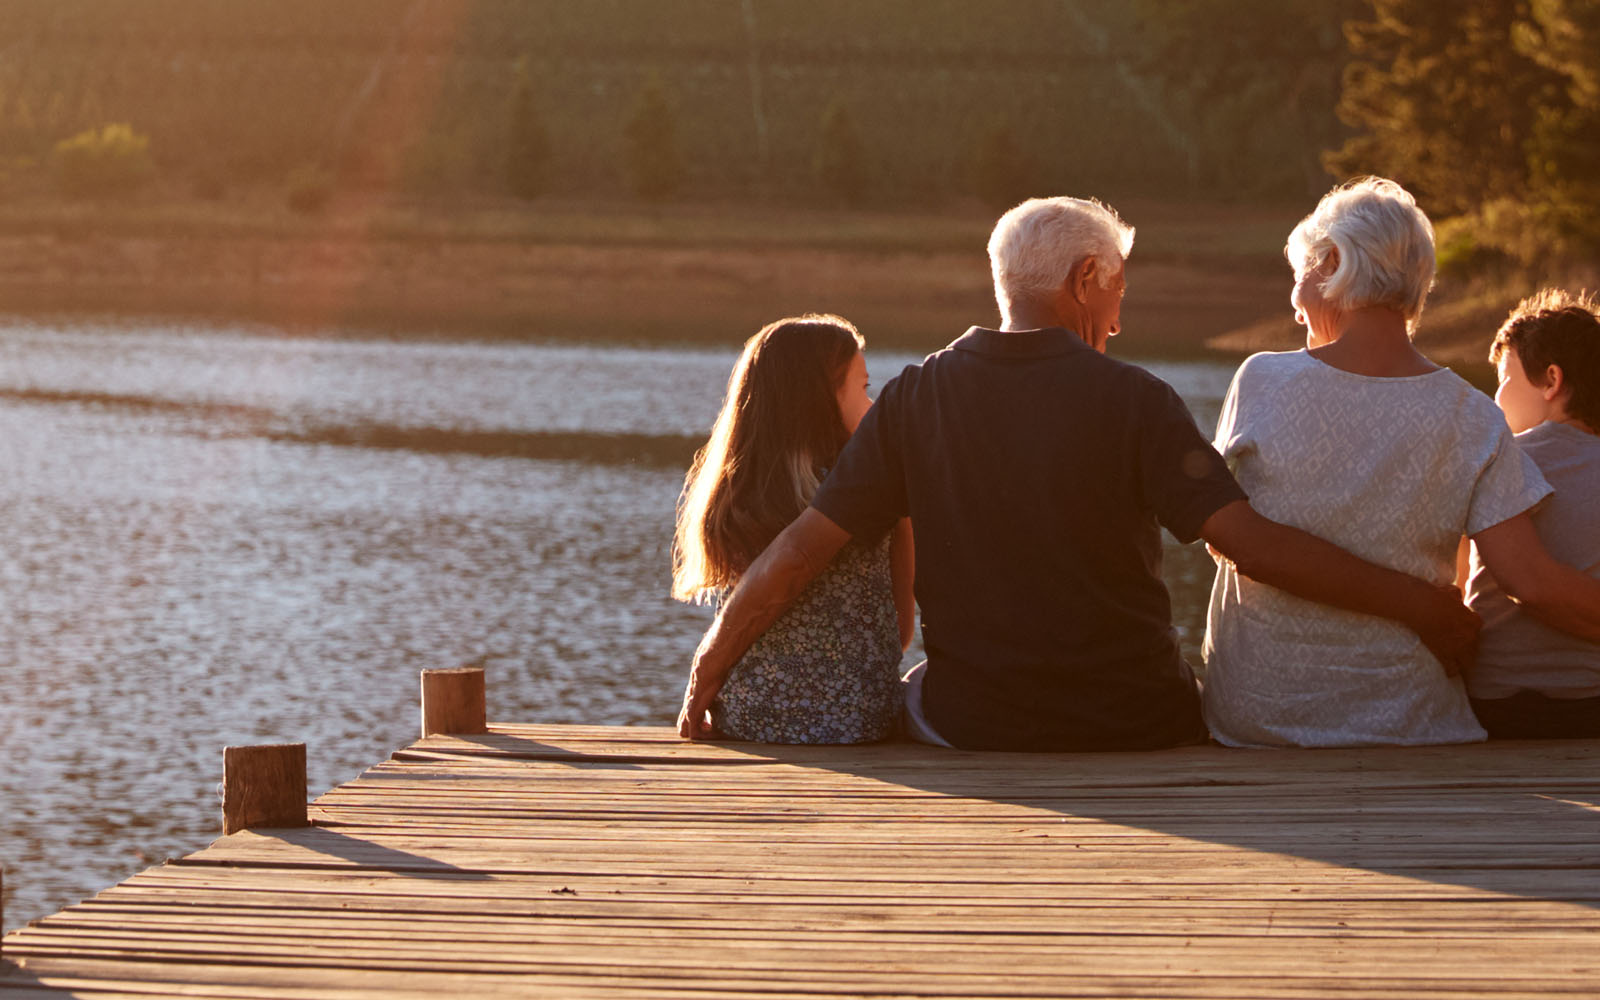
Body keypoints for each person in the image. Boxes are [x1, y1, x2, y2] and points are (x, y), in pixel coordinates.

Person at [678, 195, 1480, 752]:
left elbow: (795, 555)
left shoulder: (915, 397)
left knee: (920, 686)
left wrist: (705, 675)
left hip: (973, 725)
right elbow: (1249, 545)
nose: (1120, 318)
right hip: (1135, 721)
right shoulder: (1138, 399)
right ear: (1083, 282)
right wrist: (1424, 607)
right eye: (1117, 290)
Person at [1202, 178, 1600, 748]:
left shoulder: (1262, 380)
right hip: (1409, 718)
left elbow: (1224, 540)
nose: (1295, 307)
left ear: (1334, 263)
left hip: (1260, 715)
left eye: (1299, 279)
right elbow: (1528, 580)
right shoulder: (1471, 414)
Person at [671, 314, 914, 744]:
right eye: (863, 388)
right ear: (820, 398)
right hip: (858, 722)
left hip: (753, 716)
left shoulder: (739, 492)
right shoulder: (872, 487)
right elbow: (900, 629)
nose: (873, 406)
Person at [1465, 290, 1600, 738]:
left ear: (1551, 381)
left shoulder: (1495, 461)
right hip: (1589, 705)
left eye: (1503, 379)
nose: (1496, 395)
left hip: (1493, 705)